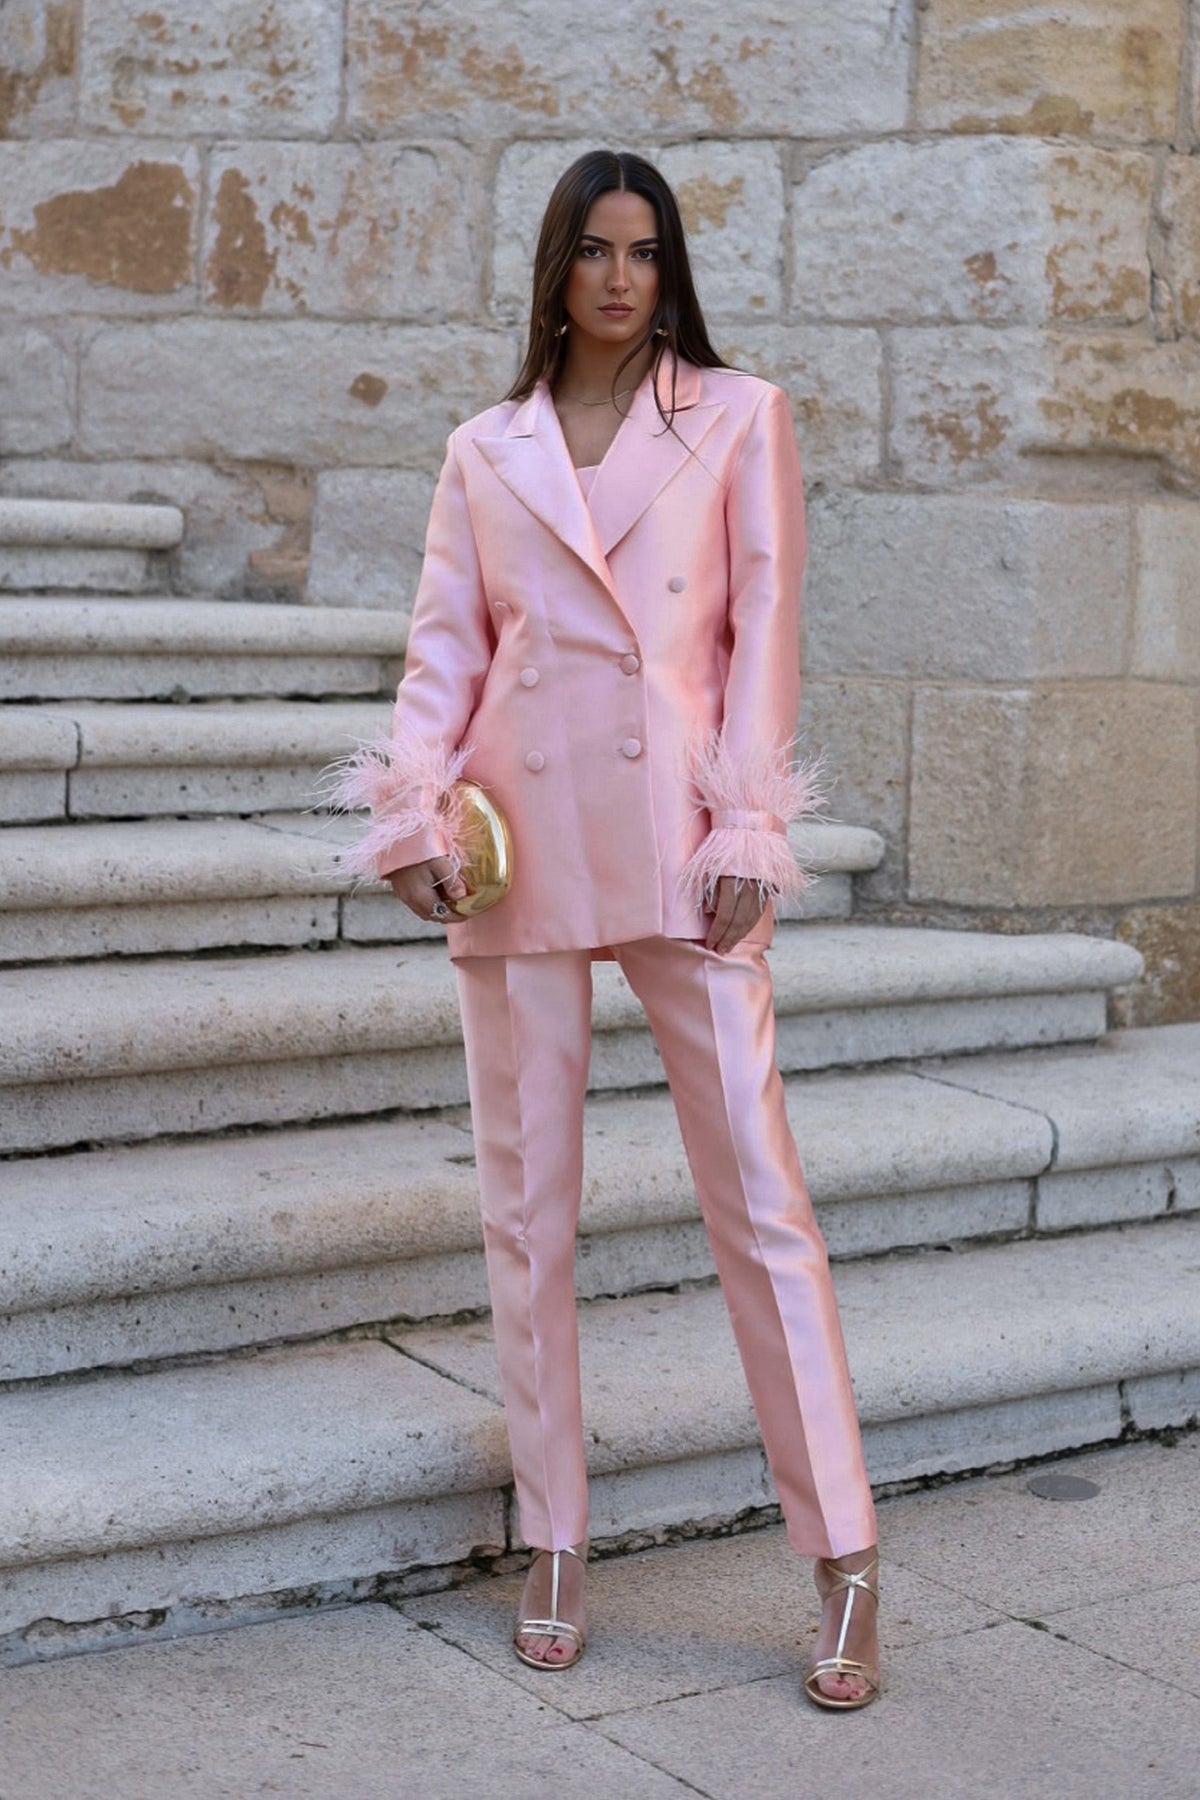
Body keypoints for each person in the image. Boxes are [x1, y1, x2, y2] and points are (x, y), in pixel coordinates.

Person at [332, 149, 881, 1710]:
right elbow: (445, 651)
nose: (622, 278)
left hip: (683, 847)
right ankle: (554, 1531)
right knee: (526, 1212)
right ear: (556, 270)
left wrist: (753, 821)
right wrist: (413, 817)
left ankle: (842, 1556)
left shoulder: (737, 418)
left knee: (762, 1201)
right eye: (594, 249)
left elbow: (759, 630)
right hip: (519, 853)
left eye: (645, 250)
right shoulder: (483, 449)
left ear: (670, 266)